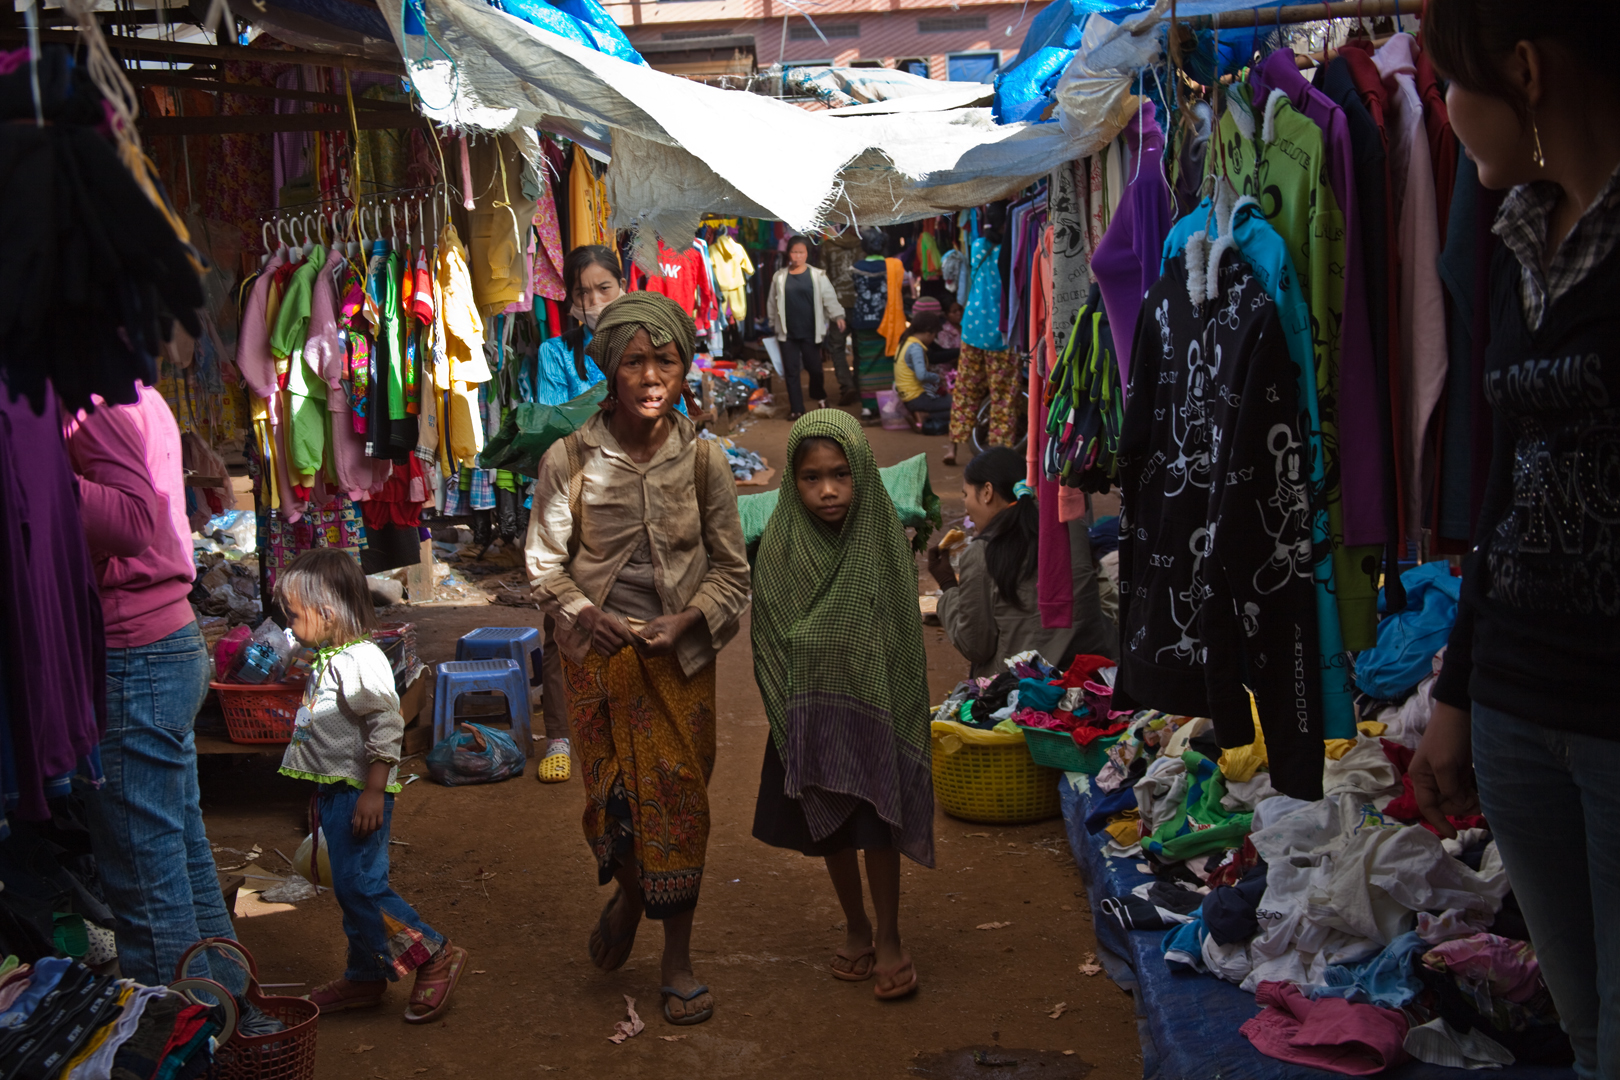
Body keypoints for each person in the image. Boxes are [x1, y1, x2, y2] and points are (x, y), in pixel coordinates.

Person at [1411, 4, 1620, 1074]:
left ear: (1526, 73)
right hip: (1519, 707)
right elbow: (1502, 483)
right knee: (1583, 1027)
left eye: (1452, 85)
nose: (1446, 113)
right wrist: (1458, 694)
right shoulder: (1510, 241)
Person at [525, 292, 751, 1026]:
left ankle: (676, 959)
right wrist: (585, 614)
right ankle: (629, 891)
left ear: (685, 367)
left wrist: (687, 619)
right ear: (609, 370)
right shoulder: (569, 460)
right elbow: (543, 566)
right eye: (635, 361)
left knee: (680, 803)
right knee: (614, 806)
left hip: (679, 667)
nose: (653, 376)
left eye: (668, 359)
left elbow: (731, 573)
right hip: (598, 663)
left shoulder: (706, 461)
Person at [751, 411, 935, 1001]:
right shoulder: (779, 542)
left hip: (875, 705)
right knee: (828, 826)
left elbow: (900, 635)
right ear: (792, 482)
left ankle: (889, 934)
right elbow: (773, 630)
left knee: (876, 827)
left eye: (839, 475)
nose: (827, 491)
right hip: (808, 708)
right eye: (809, 478)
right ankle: (855, 925)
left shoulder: (881, 541)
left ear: (860, 472)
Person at [64, 384, 243, 992]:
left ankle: (187, 1049)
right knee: (181, 858)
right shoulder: (138, 394)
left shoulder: (95, 403)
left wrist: (30, 470)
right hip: (161, 644)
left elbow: (131, 520)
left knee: (147, 880)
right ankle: (238, 1020)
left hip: (134, 653)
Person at [275, 549, 467, 1021]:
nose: (290, 626)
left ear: (326, 613)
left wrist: (374, 790)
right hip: (337, 793)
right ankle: (364, 976)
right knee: (351, 886)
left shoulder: (360, 661)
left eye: (294, 616)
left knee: (361, 888)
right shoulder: (329, 655)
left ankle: (434, 952)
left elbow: (386, 726)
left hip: (360, 794)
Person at [531, 245, 629, 785]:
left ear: (622, 287)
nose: (593, 300)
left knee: (635, 610)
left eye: (603, 288)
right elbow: (553, 426)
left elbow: (675, 414)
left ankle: (624, 720)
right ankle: (561, 736)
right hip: (570, 501)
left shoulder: (647, 344)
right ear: (570, 300)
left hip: (634, 504)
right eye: (583, 292)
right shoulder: (555, 354)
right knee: (563, 617)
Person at [928, 447, 1115, 678]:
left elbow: (975, 645)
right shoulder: (1071, 526)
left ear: (987, 492)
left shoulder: (981, 552)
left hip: (1023, 686)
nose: (966, 505)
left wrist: (948, 585)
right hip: (1097, 672)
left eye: (966, 494)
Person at [766, 234, 845, 419]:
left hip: (811, 331)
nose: (797, 256)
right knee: (791, 371)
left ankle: (819, 395)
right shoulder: (779, 277)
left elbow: (829, 297)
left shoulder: (817, 276)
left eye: (801, 252)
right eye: (794, 252)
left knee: (815, 368)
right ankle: (797, 409)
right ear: (788, 253)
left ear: (807, 254)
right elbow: (771, 302)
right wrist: (771, 323)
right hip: (787, 332)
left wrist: (838, 315)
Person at [893, 310, 951, 427]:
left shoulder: (906, 342)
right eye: (934, 335)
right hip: (917, 398)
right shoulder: (916, 348)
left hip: (907, 397)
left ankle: (922, 414)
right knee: (958, 406)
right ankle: (925, 416)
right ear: (928, 333)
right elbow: (921, 375)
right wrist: (938, 378)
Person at [934, 301, 963, 366]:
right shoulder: (944, 333)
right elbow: (947, 358)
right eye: (954, 311)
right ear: (946, 315)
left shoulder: (966, 327)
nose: (959, 313)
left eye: (960, 309)